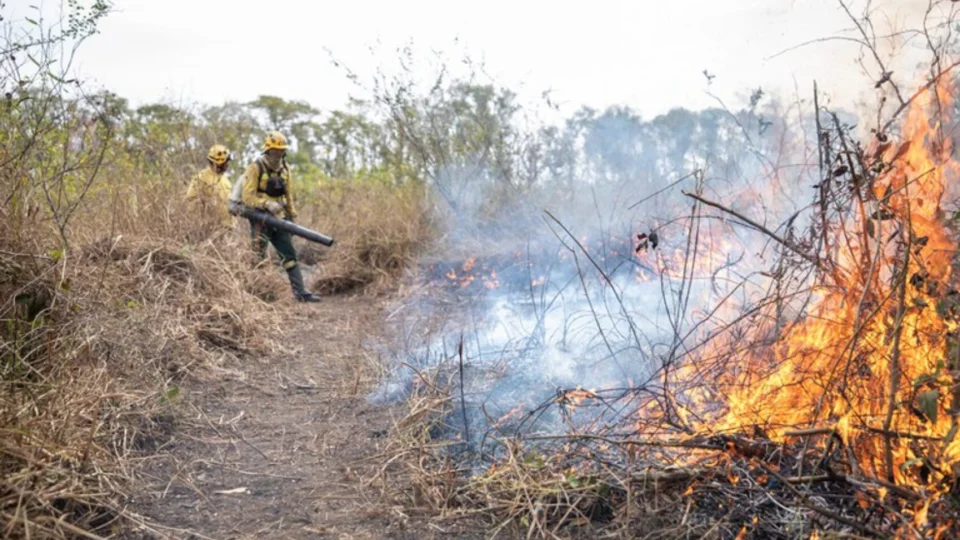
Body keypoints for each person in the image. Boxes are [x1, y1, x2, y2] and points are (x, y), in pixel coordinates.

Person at [240, 131, 321, 303]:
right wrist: (266, 204)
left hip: (281, 219)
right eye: (276, 150)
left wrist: (291, 215)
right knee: (257, 257)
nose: (279, 153)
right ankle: (256, 295)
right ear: (268, 150)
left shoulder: (285, 168)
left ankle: (301, 293)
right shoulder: (256, 167)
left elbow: (289, 194)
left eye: (281, 150)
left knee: (289, 255)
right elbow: (247, 197)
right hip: (261, 219)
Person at [186, 144, 234, 229]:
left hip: (227, 228)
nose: (228, 164)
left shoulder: (225, 180)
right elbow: (191, 200)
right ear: (220, 162)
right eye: (227, 162)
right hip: (210, 228)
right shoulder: (201, 178)